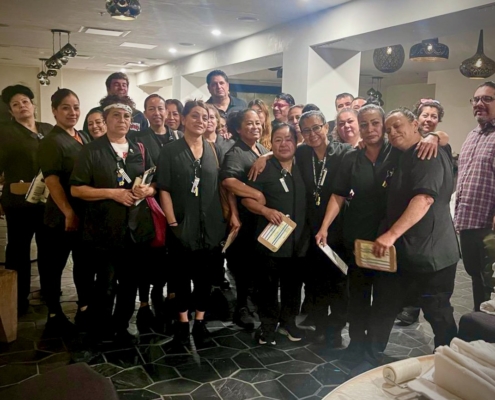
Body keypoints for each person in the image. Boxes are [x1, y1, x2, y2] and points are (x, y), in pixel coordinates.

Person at [316, 104, 448, 364]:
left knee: (386, 299)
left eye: (375, 123)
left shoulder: (397, 151)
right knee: (358, 294)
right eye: (363, 124)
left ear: (383, 125)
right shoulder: (350, 157)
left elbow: (433, 137)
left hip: (392, 240)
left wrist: (435, 135)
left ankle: (374, 347)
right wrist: (324, 227)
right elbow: (338, 195)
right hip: (360, 239)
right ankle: (356, 342)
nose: (369, 129)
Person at [365, 107, 459, 369]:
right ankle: (369, 360)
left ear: (415, 125)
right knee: (383, 306)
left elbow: (424, 198)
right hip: (399, 253)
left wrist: (391, 234)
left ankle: (449, 364)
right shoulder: (396, 154)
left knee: (437, 312)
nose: (393, 133)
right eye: (389, 129)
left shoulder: (428, 153)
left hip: (431, 253)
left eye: (398, 126)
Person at [250, 110, 350, 347]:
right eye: (306, 130)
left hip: (324, 233)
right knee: (295, 285)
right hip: (290, 236)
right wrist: (264, 157)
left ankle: (321, 328)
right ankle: (282, 326)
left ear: (326, 127)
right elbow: (282, 150)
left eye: (316, 128)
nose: (312, 133)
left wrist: (435, 137)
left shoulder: (342, 152)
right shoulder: (297, 156)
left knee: (325, 285)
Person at [71, 95, 156, 345]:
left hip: (135, 229)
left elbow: (154, 183)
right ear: (105, 120)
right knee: (106, 284)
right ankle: (101, 328)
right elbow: (77, 189)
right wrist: (112, 193)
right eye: (116, 116)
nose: (122, 120)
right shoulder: (91, 150)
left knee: (130, 284)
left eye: (126, 116)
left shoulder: (140, 149)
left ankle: (121, 326)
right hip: (103, 230)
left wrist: (147, 191)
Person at [157, 100, 230, 347]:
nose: (201, 121)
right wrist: (173, 222)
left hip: (211, 226)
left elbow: (223, 186)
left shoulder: (214, 150)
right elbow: (163, 189)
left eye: (206, 117)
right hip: (181, 225)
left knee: (205, 277)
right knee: (179, 277)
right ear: (185, 119)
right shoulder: (170, 150)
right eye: (196, 116)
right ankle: (182, 323)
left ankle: (200, 321)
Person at [242, 123, 309, 345]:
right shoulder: (262, 168)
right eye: (278, 139)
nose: (284, 144)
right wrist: (265, 210)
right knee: (268, 287)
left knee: (293, 286)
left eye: (288, 139)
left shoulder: (305, 165)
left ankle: (289, 323)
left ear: (296, 142)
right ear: (271, 143)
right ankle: (268, 326)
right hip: (270, 241)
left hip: (299, 241)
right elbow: (246, 198)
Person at [38, 88, 91, 334]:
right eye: (66, 107)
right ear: (54, 111)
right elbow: (52, 180)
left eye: (76, 107)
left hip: (85, 213)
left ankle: (84, 306)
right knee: (54, 265)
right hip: (61, 215)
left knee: (83, 263)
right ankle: (53, 311)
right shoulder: (52, 140)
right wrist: (68, 212)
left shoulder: (82, 137)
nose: (72, 112)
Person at [0, 84, 53, 315]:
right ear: (11, 111)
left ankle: (49, 291)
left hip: (48, 201)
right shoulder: (5, 133)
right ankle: (18, 298)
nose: (21, 106)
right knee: (18, 250)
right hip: (18, 202)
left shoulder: (48, 129)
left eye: (25, 101)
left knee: (49, 248)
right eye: (15, 104)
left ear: (33, 105)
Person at [127, 94, 175, 331]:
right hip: (150, 207)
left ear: (167, 111)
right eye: (151, 109)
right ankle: (144, 303)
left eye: (161, 108)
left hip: (175, 207)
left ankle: (163, 295)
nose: (157, 113)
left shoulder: (175, 136)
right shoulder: (138, 139)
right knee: (147, 257)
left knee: (169, 258)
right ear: (145, 113)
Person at [397, 98, 447, 326]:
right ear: (416, 119)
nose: (429, 119)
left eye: (433, 116)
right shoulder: (402, 150)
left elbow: (425, 198)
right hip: (411, 237)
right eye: (425, 115)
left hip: (432, 238)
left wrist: (435, 137)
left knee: (436, 306)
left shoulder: (436, 148)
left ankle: (447, 352)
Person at [220, 109, 269, 330]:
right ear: (238, 129)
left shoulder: (260, 148)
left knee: (258, 267)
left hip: (261, 221)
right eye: (249, 124)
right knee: (243, 268)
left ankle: (254, 304)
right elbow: (228, 182)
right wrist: (255, 194)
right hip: (245, 220)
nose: (255, 127)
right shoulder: (235, 152)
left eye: (258, 123)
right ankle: (241, 309)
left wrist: (265, 156)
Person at [455, 81, 495, 311]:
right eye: (476, 99)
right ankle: (481, 324)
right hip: (468, 222)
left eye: (487, 99)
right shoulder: (472, 136)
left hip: (489, 226)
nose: (479, 103)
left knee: (492, 281)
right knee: (475, 276)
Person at [83, 72, 149, 134]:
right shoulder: (96, 113)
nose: (121, 88)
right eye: (116, 84)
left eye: (124, 85)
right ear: (108, 88)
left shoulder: (138, 115)